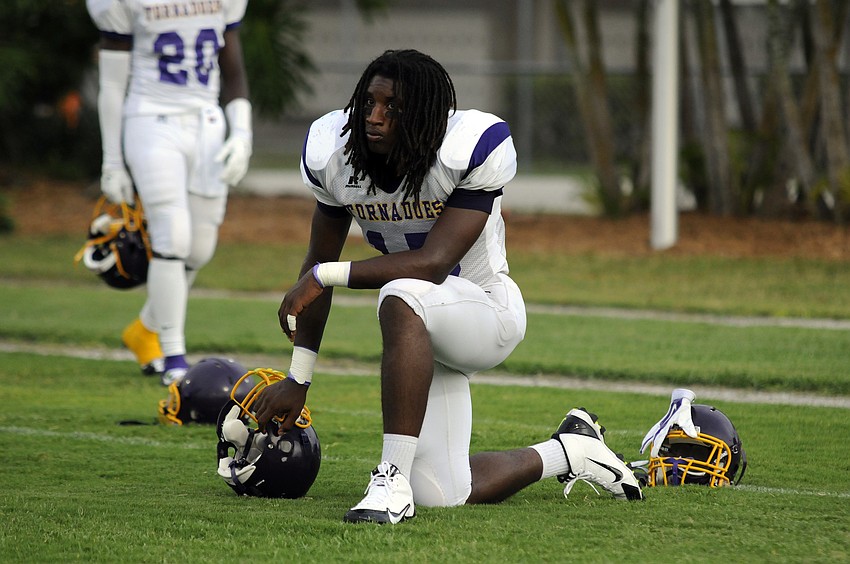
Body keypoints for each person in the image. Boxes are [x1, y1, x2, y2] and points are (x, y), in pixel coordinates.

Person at [252, 49, 642, 524]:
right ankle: (571, 452)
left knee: (400, 291)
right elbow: (319, 262)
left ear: (423, 116)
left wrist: (321, 277)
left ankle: (390, 478)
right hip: (421, 333)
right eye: (368, 103)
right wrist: (298, 376)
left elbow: (433, 264)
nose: (374, 118)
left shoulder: (468, 147)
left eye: (392, 107)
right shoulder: (334, 156)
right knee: (442, 491)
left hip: (485, 311)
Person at [86, 0, 252, 385]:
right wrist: (112, 160)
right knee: (172, 238)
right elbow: (112, 84)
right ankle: (174, 358)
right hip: (150, 119)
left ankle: (145, 330)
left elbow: (234, 70)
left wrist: (241, 133)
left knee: (199, 249)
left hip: (207, 121)